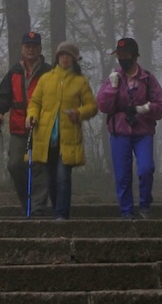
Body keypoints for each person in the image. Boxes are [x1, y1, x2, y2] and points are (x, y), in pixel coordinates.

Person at [96, 36, 162, 219]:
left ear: (135, 56)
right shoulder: (114, 77)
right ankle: (126, 211)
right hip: (119, 131)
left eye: (126, 54)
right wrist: (112, 88)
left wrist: (147, 109)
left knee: (145, 168)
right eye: (119, 55)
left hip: (142, 131)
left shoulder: (147, 79)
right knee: (122, 175)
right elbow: (103, 106)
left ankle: (144, 205)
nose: (122, 58)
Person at [25, 41, 98, 220]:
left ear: (74, 60)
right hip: (45, 136)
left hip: (69, 138)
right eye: (62, 55)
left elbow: (92, 106)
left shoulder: (81, 82)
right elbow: (35, 103)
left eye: (69, 56)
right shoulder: (46, 78)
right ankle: (58, 209)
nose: (65, 59)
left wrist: (79, 113)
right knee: (50, 179)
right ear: (58, 57)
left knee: (63, 177)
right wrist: (31, 116)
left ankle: (61, 214)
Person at [0, 30, 51, 216]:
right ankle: (28, 204)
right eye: (27, 46)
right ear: (22, 49)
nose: (31, 50)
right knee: (15, 165)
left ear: (40, 49)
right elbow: (2, 95)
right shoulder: (14, 72)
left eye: (34, 46)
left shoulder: (49, 72)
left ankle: (38, 207)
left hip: (42, 127)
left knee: (40, 167)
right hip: (18, 127)